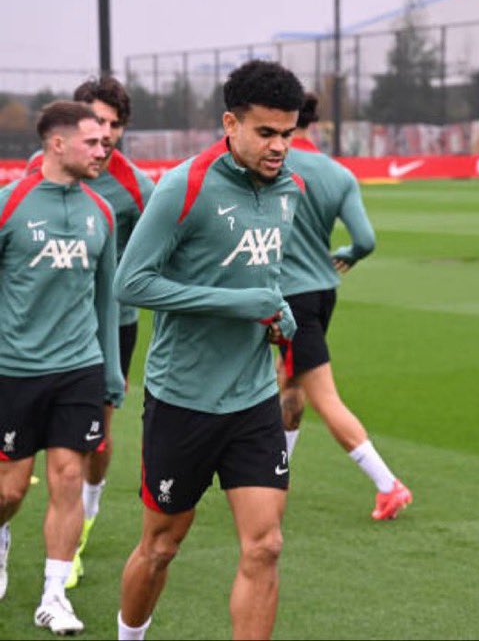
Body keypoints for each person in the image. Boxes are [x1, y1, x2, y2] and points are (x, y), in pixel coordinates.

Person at [113, 60, 304, 641]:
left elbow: (264, 277)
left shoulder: (289, 189)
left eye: (288, 133)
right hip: (184, 398)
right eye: (266, 132)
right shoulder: (185, 186)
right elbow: (130, 284)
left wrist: (278, 310)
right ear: (230, 123)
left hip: (252, 398)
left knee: (265, 545)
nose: (279, 147)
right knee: (161, 546)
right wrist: (237, 303)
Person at [26, 77, 156, 589]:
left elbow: (165, 242)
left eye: (114, 125)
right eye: (96, 121)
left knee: (95, 442)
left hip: (108, 328)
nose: (105, 133)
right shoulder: (40, 172)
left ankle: (86, 513)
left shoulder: (134, 186)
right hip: (35, 328)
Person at [0, 101, 124, 635]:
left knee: (69, 477)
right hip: (14, 369)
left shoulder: (102, 212)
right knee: (9, 491)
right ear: (57, 144)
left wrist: (111, 373)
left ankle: (54, 596)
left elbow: (108, 300)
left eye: (105, 140)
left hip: (79, 367)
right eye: (91, 141)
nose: (103, 148)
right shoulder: (9, 204)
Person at [278, 92, 412, 521]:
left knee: (322, 396)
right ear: (314, 124)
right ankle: (276, 474)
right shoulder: (338, 174)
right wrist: (348, 254)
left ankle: (388, 485)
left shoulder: (272, 164)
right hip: (322, 290)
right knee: (290, 384)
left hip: (288, 297)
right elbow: (365, 240)